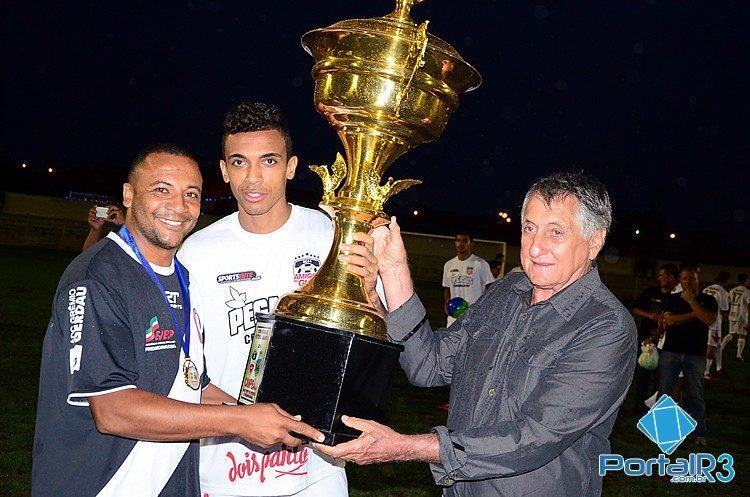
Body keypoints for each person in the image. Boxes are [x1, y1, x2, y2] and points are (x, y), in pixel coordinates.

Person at [316, 171, 636, 497]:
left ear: (595, 241)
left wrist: (403, 447)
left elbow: (534, 437)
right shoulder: (506, 291)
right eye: (529, 228)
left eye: (555, 232)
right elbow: (429, 364)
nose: (536, 247)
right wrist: (392, 273)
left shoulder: (606, 328)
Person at [32, 144, 324, 497]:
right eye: (161, 190)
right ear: (128, 194)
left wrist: (270, 418)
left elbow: (191, 385)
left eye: (191, 194)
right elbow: (112, 411)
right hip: (100, 484)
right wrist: (242, 421)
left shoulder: (183, 278)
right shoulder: (97, 276)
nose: (179, 206)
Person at [178, 102, 379, 497]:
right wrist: (241, 418)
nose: (252, 178)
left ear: (290, 166)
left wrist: (371, 292)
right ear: (223, 171)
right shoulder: (195, 254)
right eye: (239, 162)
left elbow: (373, 340)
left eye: (268, 161)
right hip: (229, 468)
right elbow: (183, 369)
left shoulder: (329, 235)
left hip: (316, 470)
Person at [657, 266, 717, 447]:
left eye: (692, 278)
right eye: (684, 278)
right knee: (665, 393)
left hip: (695, 354)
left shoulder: (709, 299)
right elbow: (670, 320)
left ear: (699, 280)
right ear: (680, 281)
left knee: (695, 394)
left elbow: (708, 319)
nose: (688, 281)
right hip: (672, 351)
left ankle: (699, 433)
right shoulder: (672, 299)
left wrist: (692, 302)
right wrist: (695, 313)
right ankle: (666, 435)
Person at [630, 263, 679, 407]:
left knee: (662, 377)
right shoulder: (650, 292)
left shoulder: (677, 297)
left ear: (671, 277)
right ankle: (640, 404)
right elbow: (635, 309)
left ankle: (655, 405)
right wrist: (650, 315)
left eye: (662, 275)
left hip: (667, 343)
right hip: (647, 340)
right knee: (643, 374)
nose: (659, 278)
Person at [442, 233, 494, 325]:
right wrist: (447, 301)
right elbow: (447, 288)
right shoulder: (449, 265)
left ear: (471, 244)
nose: (461, 244)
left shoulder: (480, 264)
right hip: (454, 315)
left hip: (474, 316)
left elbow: (491, 287)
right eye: (458, 241)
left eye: (465, 241)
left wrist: (485, 306)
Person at [702, 271, 730, 378]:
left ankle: (719, 368)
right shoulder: (722, 292)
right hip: (714, 323)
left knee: (717, 345)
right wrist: (726, 316)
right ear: (726, 281)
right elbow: (724, 310)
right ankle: (706, 372)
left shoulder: (707, 288)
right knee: (711, 346)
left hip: (704, 319)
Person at [721, 273, 750, 361]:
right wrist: (749, 320)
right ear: (745, 281)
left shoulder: (732, 290)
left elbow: (728, 302)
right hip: (742, 316)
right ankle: (738, 356)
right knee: (742, 336)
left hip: (733, 314)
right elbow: (749, 307)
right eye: (748, 280)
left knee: (731, 333)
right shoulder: (747, 292)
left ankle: (720, 349)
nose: (749, 281)